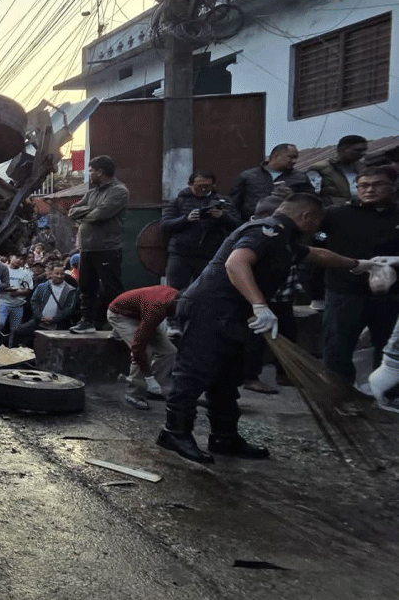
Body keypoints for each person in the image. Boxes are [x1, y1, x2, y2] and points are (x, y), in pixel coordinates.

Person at [158, 193, 382, 463]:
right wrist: (260, 306)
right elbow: (236, 263)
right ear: (306, 217)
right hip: (211, 309)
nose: (318, 228)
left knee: (228, 378)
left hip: (232, 314)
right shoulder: (267, 231)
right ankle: (174, 433)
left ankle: (224, 437)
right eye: (317, 222)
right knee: (194, 374)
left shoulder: (286, 239)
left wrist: (359, 266)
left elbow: (317, 254)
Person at [320, 166, 399, 386]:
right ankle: (339, 396)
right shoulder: (336, 215)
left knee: (389, 349)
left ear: (393, 186)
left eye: (377, 184)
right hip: (344, 293)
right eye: (363, 185)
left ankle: (383, 396)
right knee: (337, 348)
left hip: (391, 297)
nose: (369, 190)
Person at [238, 196, 297, 395]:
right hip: (260, 298)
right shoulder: (255, 234)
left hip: (284, 295)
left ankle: (285, 372)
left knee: (288, 332)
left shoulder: (285, 234)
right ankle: (250, 377)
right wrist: (258, 303)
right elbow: (238, 266)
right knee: (255, 339)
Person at [68, 155, 129, 333]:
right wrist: (90, 210)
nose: (90, 174)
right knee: (86, 287)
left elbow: (99, 214)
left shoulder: (119, 191)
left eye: (91, 171)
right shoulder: (92, 192)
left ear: (100, 172)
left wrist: (86, 213)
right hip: (87, 248)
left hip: (108, 248)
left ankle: (120, 326)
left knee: (112, 289)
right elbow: (72, 211)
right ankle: (87, 322)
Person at [160, 171, 240, 291]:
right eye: (199, 186)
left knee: (207, 290)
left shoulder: (224, 201)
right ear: (189, 184)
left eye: (207, 186)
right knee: (173, 290)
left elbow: (238, 225)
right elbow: (165, 225)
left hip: (210, 254)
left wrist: (222, 217)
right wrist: (186, 219)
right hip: (181, 254)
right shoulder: (178, 201)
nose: (203, 189)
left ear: (213, 185)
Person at [107, 285, 178, 410]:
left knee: (169, 351)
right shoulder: (157, 308)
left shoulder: (179, 299)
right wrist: (149, 378)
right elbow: (138, 347)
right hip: (120, 315)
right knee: (145, 351)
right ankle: (133, 393)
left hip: (140, 314)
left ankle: (151, 390)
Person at [229, 144, 314, 219]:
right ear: (276, 156)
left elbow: (311, 202)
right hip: (252, 225)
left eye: (296, 158)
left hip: (287, 226)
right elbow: (233, 203)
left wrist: (293, 196)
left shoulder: (300, 178)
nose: (294, 161)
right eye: (291, 157)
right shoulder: (249, 176)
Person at [12, 263, 77, 346]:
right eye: (57, 273)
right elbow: (34, 301)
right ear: (51, 273)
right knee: (18, 332)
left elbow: (69, 308)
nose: (60, 276)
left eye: (62, 274)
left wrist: (54, 319)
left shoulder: (70, 290)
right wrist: (40, 316)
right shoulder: (43, 286)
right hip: (39, 320)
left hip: (58, 324)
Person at [310, 135, 369, 205]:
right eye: (358, 150)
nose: (362, 154)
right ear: (342, 150)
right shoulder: (320, 168)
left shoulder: (362, 167)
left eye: (364, 150)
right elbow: (312, 197)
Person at [0, 254, 34, 344]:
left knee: (15, 329)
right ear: (10, 257)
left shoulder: (25, 273)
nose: (19, 260)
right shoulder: (3, 270)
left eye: (21, 259)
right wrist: (7, 289)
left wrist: (18, 292)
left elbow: (29, 289)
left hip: (18, 304)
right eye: (17, 257)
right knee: (0, 324)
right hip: (3, 302)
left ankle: (12, 346)